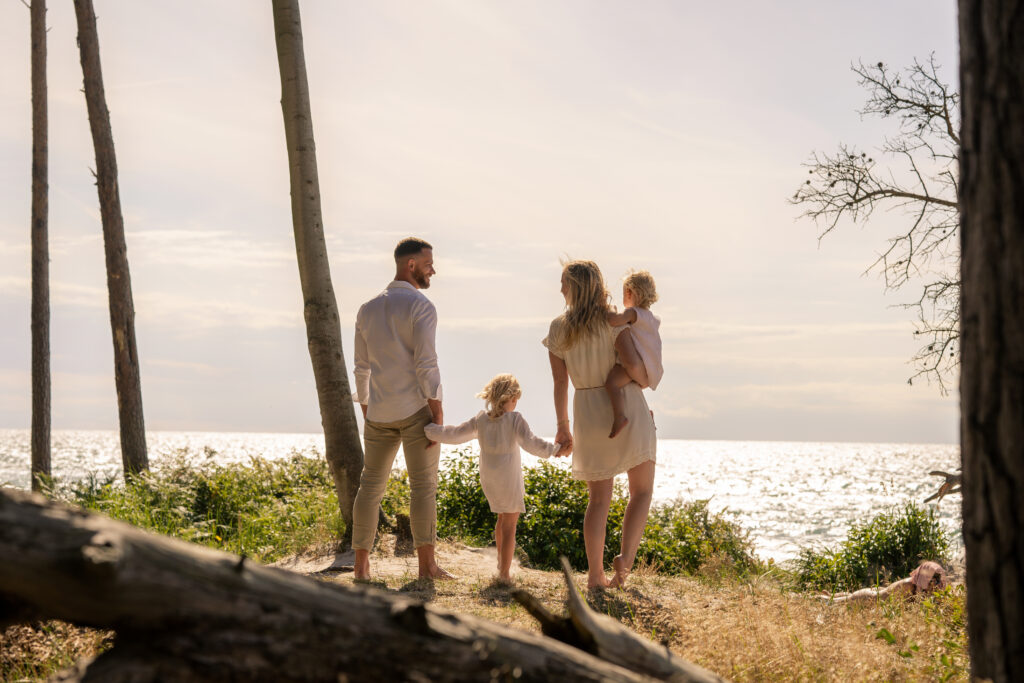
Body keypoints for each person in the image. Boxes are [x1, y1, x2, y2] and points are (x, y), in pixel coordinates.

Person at [543, 260, 657, 589]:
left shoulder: (558, 327)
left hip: (587, 412)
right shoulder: (612, 321)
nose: (560, 288)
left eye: (563, 282)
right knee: (642, 491)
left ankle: (595, 576)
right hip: (627, 404)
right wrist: (646, 379)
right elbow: (634, 366)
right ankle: (625, 562)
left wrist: (563, 426)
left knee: (598, 501)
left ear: (575, 286)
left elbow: (559, 383)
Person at [350, 237, 452, 581]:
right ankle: (427, 568)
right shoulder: (421, 306)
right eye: (428, 264)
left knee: (369, 487)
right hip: (414, 411)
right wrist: (437, 412)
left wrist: (366, 407)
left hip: (377, 412)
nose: (432, 270)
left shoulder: (366, 309)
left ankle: (361, 568)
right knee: (423, 487)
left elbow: (360, 368)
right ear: (411, 265)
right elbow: (426, 363)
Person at [424, 373, 562, 583]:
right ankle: (504, 574)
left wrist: (430, 431)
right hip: (508, 477)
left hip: (489, 478)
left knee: (501, 519)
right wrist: (555, 450)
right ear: (512, 398)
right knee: (510, 524)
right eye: (516, 399)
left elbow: (455, 434)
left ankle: (501, 563)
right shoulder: (515, 419)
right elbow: (531, 443)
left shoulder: (481, 419)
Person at [604, 270, 664, 438]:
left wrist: (606, 311)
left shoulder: (632, 313)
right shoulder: (651, 317)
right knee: (633, 388)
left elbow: (614, 321)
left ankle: (619, 417)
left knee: (612, 383)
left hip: (635, 365)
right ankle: (646, 414)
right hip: (648, 368)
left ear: (629, 292)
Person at [819, 561, 949, 603]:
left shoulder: (939, 583)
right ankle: (829, 600)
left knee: (874, 593)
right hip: (894, 590)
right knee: (874, 598)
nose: (935, 584)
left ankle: (832, 595)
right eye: (933, 581)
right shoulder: (908, 586)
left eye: (937, 581)